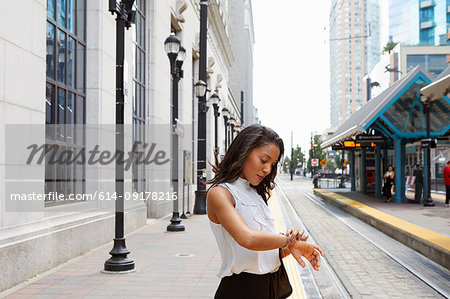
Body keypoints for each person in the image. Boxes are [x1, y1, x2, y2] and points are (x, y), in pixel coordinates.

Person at [206, 124, 324, 299]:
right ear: (243, 152)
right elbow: (247, 238)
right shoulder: (221, 193)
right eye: (263, 160)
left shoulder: (255, 193)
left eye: (273, 164)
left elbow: (261, 255)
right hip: (241, 290)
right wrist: (287, 240)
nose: (268, 169)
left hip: (269, 288)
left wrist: (290, 248)